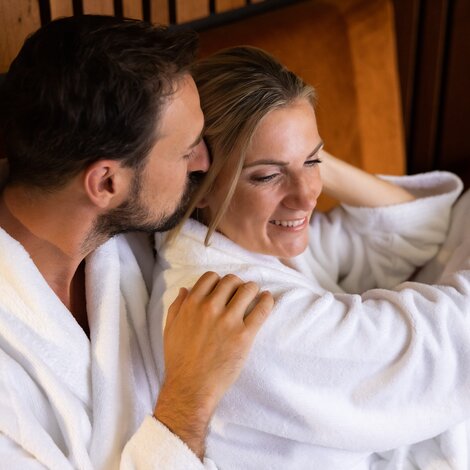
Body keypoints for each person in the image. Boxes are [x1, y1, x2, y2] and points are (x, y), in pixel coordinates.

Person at [149, 46, 470, 469]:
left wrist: (300, 155)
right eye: (267, 175)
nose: (307, 196)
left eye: (314, 161)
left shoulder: (240, 239)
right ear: (200, 183)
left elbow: (418, 230)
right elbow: (445, 348)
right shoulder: (237, 309)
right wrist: (300, 153)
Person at [0, 18, 275, 469]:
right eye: (187, 151)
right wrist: (189, 400)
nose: (205, 161)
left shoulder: (121, 241)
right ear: (106, 181)